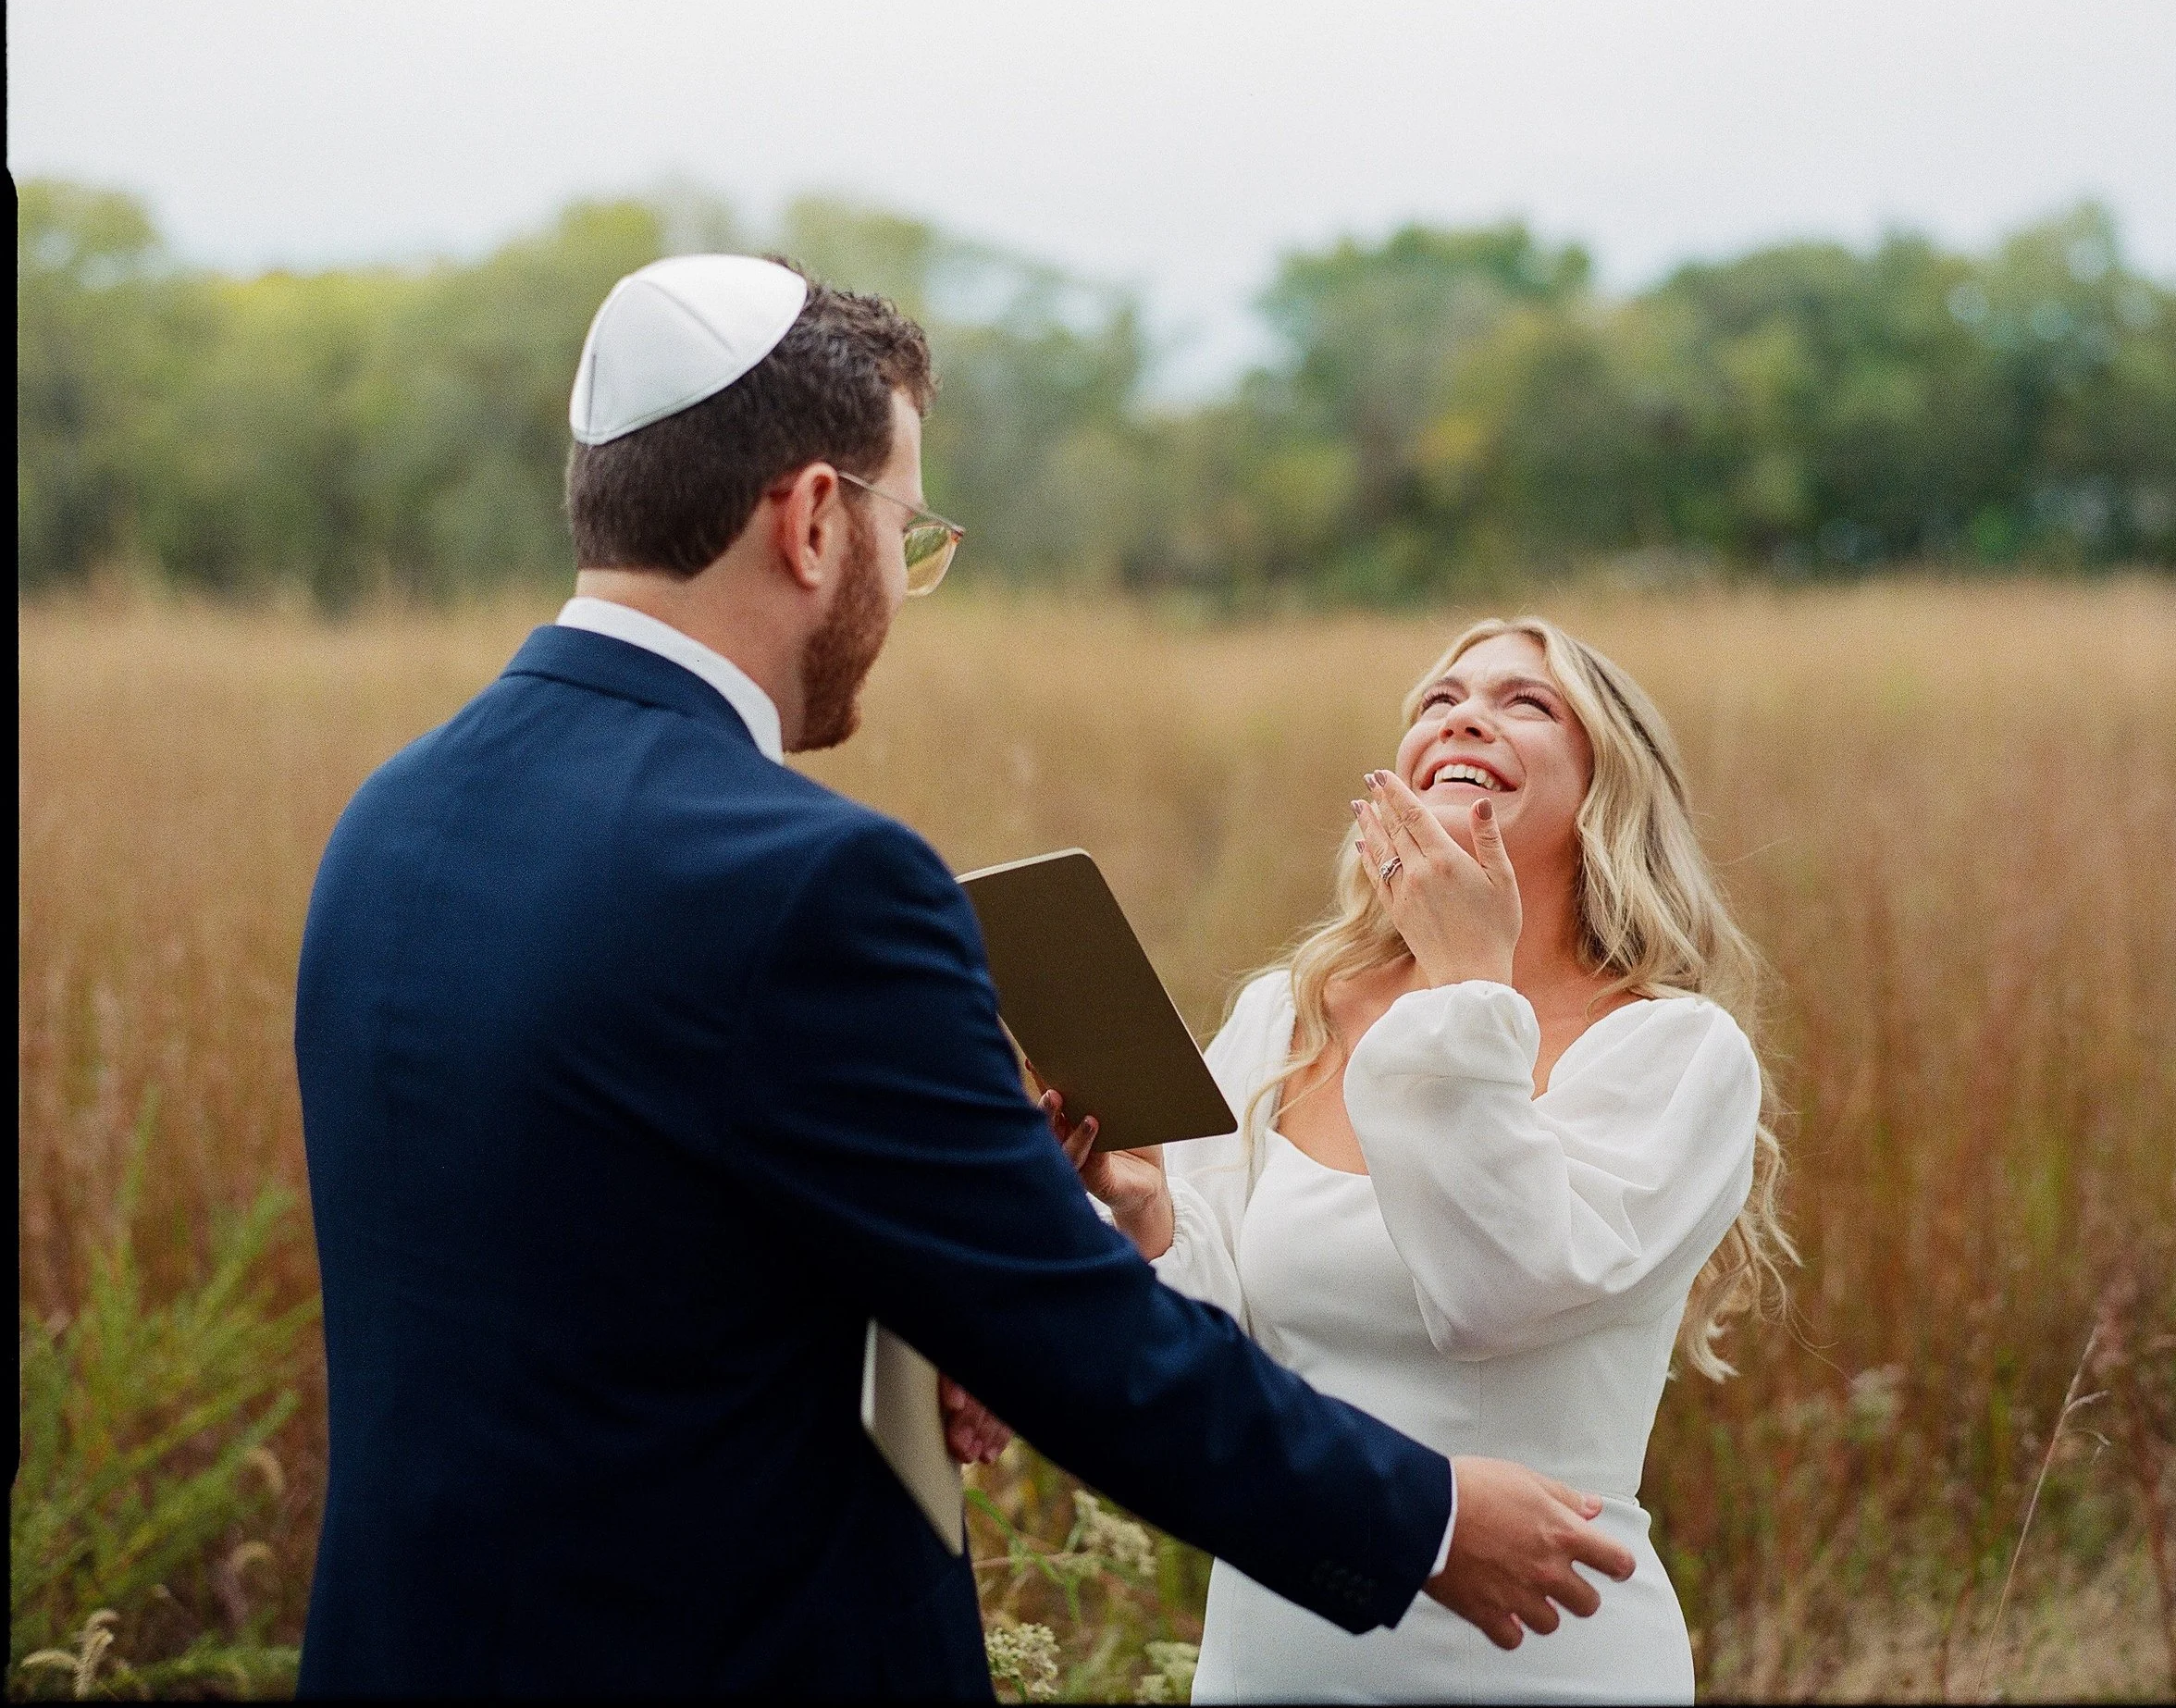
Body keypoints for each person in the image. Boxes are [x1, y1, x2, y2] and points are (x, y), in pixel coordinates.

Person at [292, 255, 1634, 1699]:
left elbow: (606, 1260)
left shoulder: (391, 818)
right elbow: (1083, 1347)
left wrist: (906, 1304)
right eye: (907, 530)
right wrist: (1426, 1519)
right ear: (814, 519)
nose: (905, 583)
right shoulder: (813, 877)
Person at [1055, 615, 1793, 1702]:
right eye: (1438, 700)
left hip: (1543, 1661)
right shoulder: (1287, 1015)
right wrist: (1143, 1210)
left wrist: (1465, 987)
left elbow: (1495, 1290)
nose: (1464, 716)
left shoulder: (1678, 1053)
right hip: (1272, 1660)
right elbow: (1208, 1353)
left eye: (1524, 701)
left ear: (1608, 787)